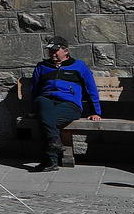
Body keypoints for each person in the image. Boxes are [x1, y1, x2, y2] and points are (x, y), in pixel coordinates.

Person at [27, 36, 101, 172]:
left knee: (47, 120)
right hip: (46, 101)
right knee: (43, 103)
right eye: (50, 51)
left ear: (65, 51)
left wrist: (95, 111)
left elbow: (91, 89)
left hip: (70, 104)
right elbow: (34, 89)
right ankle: (54, 147)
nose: (52, 54)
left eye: (55, 51)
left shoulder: (79, 66)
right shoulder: (42, 66)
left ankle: (50, 160)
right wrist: (32, 109)